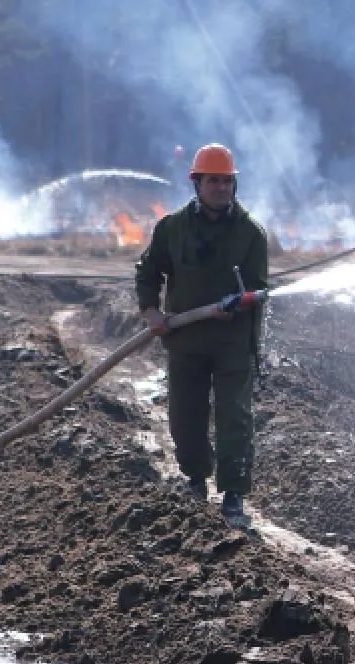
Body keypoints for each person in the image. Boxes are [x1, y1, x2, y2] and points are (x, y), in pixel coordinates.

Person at [134, 143, 269, 525]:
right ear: (197, 183)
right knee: (185, 417)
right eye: (214, 181)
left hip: (233, 344)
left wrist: (241, 304)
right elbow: (148, 271)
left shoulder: (251, 234)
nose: (222, 188)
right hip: (187, 340)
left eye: (228, 181)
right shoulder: (172, 229)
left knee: (235, 418)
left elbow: (259, 289)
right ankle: (195, 480)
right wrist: (151, 311)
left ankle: (234, 496)